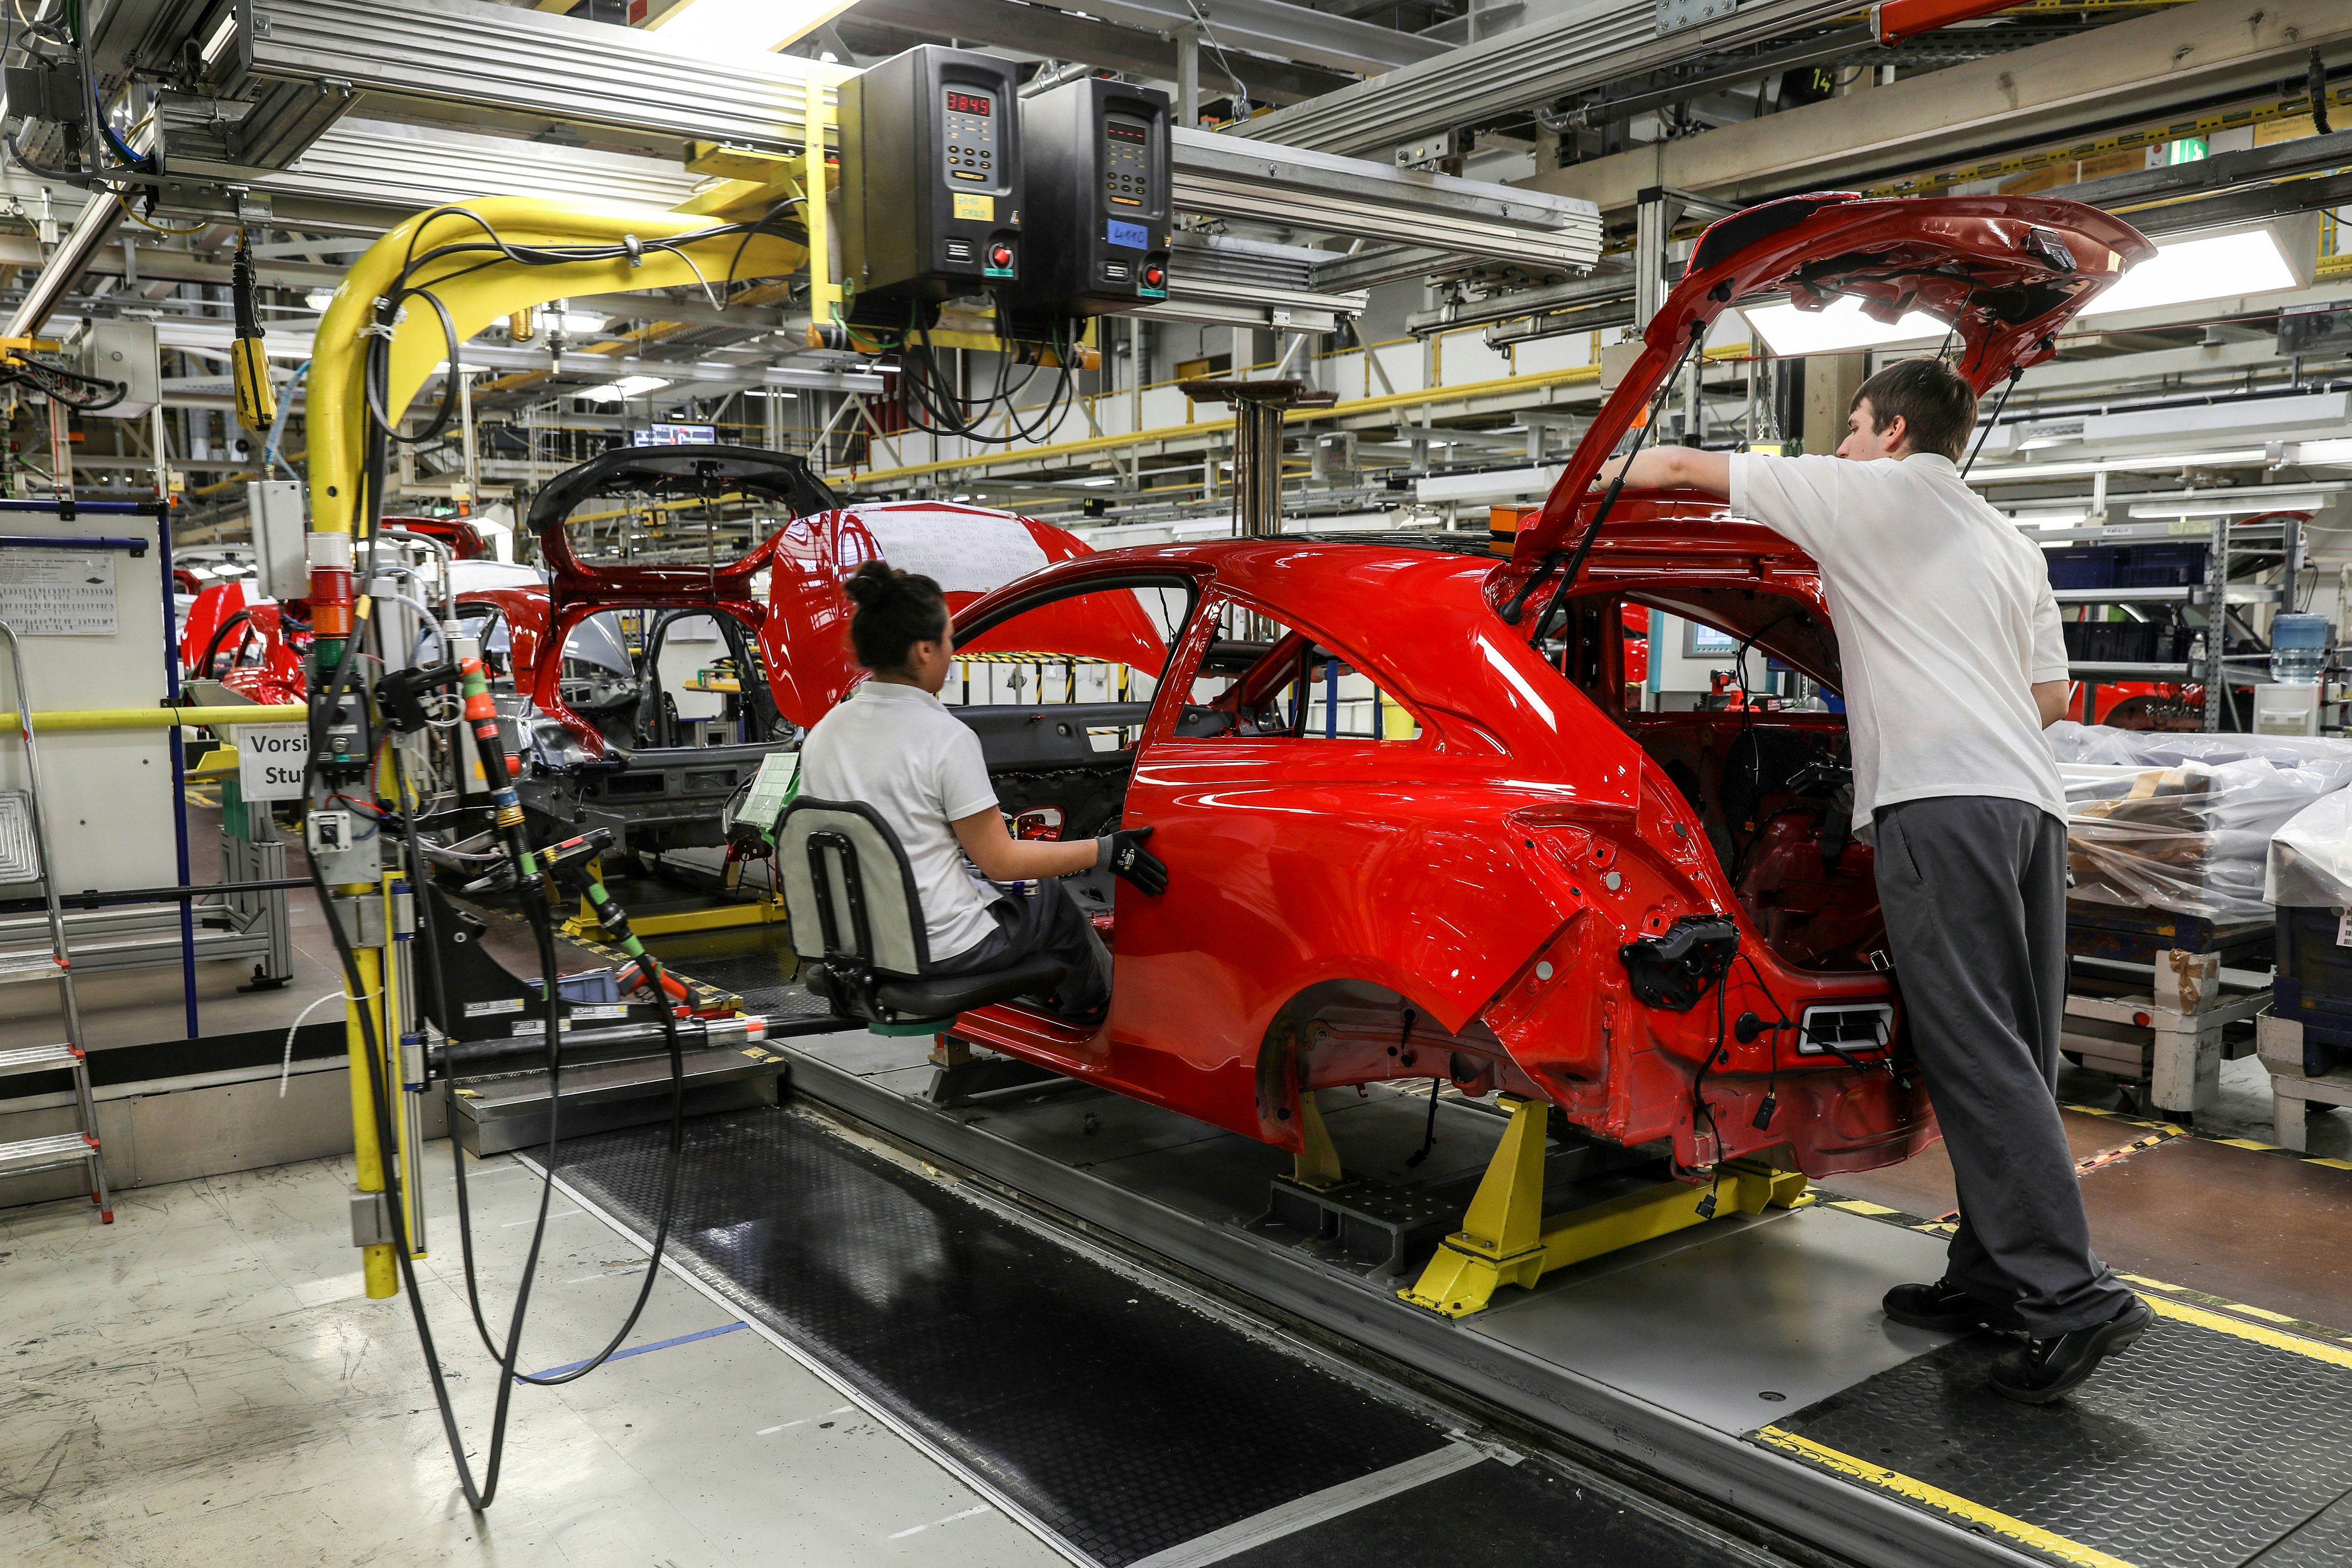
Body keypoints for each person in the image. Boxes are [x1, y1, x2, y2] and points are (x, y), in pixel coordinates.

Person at [1592, 356, 2149, 1404]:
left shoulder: (1861, 491)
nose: (1839, 444)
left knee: (1973, 1047)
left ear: (1891, 432)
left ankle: (2071, 1294)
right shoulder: (2004, 537)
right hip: (2028, 805)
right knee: (2014, 1046)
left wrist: (1568, 500)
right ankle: (1991, 1278)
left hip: (1939, 806)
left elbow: (1668, 463)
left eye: (1851, 426)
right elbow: (2051, 696)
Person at [798, 560, 1167, 1022]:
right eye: (951, 640)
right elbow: (1003, 861)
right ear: (926, 650)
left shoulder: (824, 733)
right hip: (936, 948)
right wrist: (1105, 850)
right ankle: (1102, 1009)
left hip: (855, 942)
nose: (954, 652)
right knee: (1045, 897)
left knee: (991, 885)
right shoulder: (943, 736)